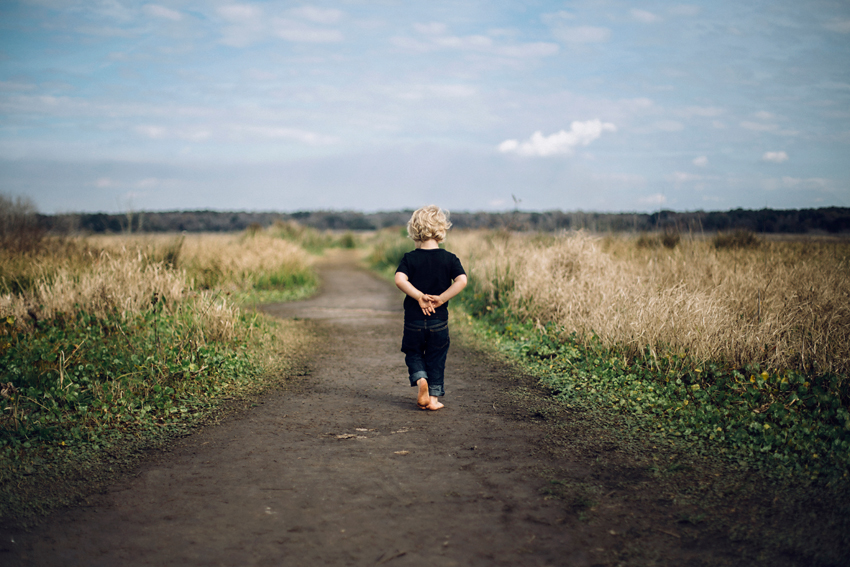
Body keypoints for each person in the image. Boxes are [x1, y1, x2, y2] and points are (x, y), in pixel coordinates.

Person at [395, 205, 468, 411]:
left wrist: (418, 296)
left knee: (413, 352)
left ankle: (420, 380)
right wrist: (441, 299)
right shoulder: (449, 258)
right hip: (438, 321)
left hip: (413, 321)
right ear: (441, 231)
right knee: (436, 357)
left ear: (414, 231)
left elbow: (399, 279)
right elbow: (462, 280)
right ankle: (434, 400)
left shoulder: (410, 258)